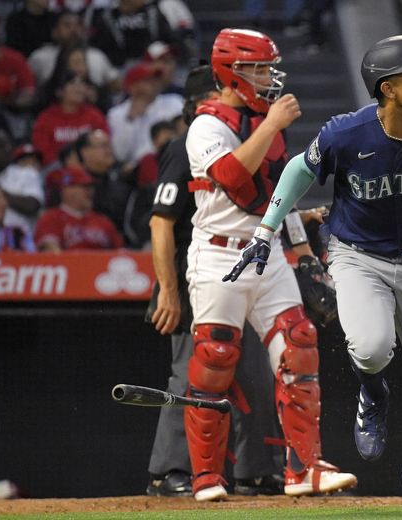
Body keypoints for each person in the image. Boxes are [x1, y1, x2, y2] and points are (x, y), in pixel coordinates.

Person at [223, 35, 402, 507]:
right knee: (369, 350)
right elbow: (296, 173)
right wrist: (265, 231)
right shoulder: (346, 132)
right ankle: (374, 393)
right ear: (388, 88)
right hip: (357, 255)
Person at [181, 28, 357, 501]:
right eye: (257, 68)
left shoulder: (267, 122)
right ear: (229, 73)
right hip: (219, 253)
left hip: (267, 249)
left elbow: (278, 195)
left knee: (299, 346)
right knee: (215, 358)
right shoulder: (206, 125)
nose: (267, 77)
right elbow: (234, 180)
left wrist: (300, 253)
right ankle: (205, 478)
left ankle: (304, 468)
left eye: (267, 67)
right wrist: (271, 124)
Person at [146, 65, 287, 498]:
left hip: (237, 270)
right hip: (197, 272)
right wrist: (168, 290)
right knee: (194, 374)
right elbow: (161, 223)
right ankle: (170, 470)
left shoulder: (247, 144)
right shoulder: (185, 144)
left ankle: (252, 470)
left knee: (250, 376)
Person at [27, 10, 120, 98]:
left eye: (78, 25)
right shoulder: (41, 56)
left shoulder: (97, 55)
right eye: (67, 25)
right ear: (55, 32)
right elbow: (28, 86)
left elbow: (115, 84)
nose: (73, 29)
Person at [108, 63, 184, 166]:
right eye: (148, 80)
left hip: (172, 160)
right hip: (137, 170)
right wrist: (131, 119)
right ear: (133, 86)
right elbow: (120, 154)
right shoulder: (116, 114)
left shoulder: (174, 101)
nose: (155, 83)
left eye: (156, 78)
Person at [34, 165, 124, 251]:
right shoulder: (51, 218)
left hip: (100, 266)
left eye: (91, 187)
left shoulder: (103, 221)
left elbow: (120, 253)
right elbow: (50, 251)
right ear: (66, 190)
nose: (90, 192)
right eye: (84, 187)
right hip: (69, 265)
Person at [32, 70, 109, 167]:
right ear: (59, 92)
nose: (79, 89)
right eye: (73, 84)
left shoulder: (94, 115)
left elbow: (105, 141)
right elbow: (42, 151)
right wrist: (68, 164)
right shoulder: (45, 119)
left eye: (82, 84)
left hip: (90, 167)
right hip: (58, 169)